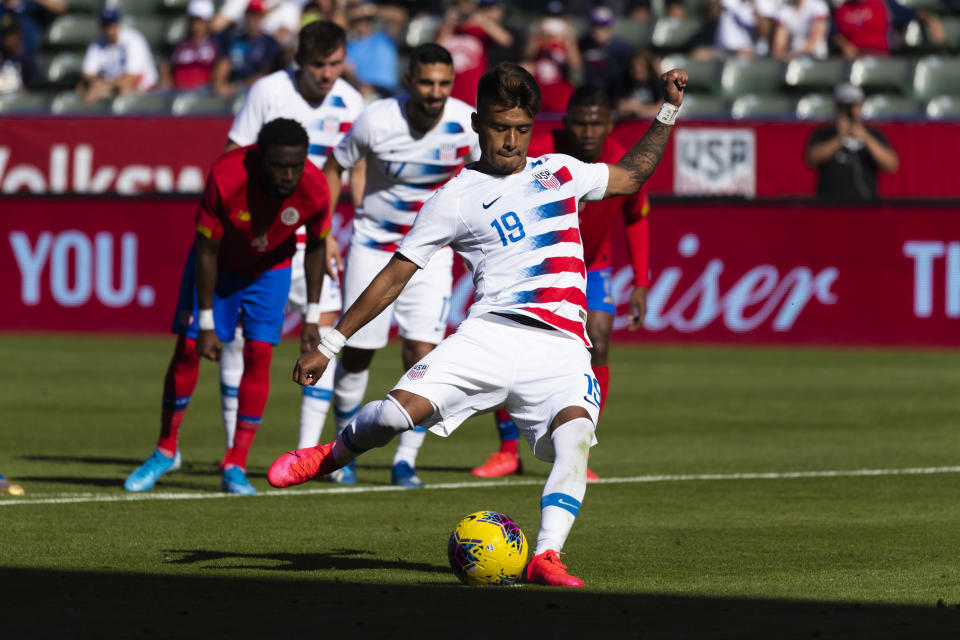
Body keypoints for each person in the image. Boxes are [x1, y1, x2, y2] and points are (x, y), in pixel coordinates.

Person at [268, 62, 686, 587]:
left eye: (520, 129)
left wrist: (667, 110)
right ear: (476, 124)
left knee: (576, 436)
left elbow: (632, 174)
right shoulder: (455, 198)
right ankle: (332, 454)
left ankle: (545, 556)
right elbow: (395, 276)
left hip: (561, 348)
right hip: (488, 336)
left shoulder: (559, 170)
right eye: (498, 127)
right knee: (397, 418)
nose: (510, 141)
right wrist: (329, 343)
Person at [124, 118, 332, 495]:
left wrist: (311, 317)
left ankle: (235, 463)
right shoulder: (226, 175)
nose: (288, 176)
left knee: (259, 354)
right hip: (218, 267)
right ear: (259, 159)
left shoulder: (315, 187)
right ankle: (165, 450)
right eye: (278, 166)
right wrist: (205, 322)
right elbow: (205, 249)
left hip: (271, 270)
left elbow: (316, 246)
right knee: (188, 348)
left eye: (295, 167)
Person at [472, 85, 652, 480]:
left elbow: (636, 216)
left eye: (596, 123)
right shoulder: (537, 150)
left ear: (607, 124)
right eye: (580, 123)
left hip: (594, 265)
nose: (588, 132)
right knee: (510, 347)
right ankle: (506, 451)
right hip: (535, 263)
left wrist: (641, 280)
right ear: (566, 122)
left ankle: (578, 452)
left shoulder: (622, 157)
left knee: (599, 343)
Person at [321, 43, 479, 488]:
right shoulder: (377, 119)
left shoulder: (466, 125)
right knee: (357, 352)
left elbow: (485, 178)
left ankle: (405, 461)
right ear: (409, 81)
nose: (435, 92)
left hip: (431, 252)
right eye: (426, 82)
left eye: (443, 84)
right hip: (373, 247)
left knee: (422, 355)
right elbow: (334, 168)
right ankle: (342, 452)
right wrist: (327, 231)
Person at [221, 20, 365, 467]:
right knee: (241, 341)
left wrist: (342, 229)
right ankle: (234, 453)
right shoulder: (268, 91)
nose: (327, 74)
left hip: (315, 237)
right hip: (265, 237)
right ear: (299, 61)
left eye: (335, 64)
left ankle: (305, 453)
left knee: (321, 337)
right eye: (318, 65)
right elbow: (233, 154)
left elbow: (354, 170)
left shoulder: (352, 102)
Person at [805, 83, 899, 200]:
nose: (850, 111)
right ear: (837, 107)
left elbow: (891, 165)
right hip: (830, 204)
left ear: (860, 106)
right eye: (844, 106)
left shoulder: (873, 134)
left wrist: (866, 138)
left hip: (864, 205)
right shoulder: (824, 133)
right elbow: (812, 159)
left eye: (853, 105)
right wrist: (839, 138)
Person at [437, 0, 513, 107]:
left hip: (474, 95)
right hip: (447, 94)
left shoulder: (478, 30)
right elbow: (436, 50)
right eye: (458, 6)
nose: (463, 11)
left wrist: (483, 20)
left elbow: (506, 40)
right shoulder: (445, 30)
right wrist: (449, 24)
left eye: (467, 6)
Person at [77, 7, 158, 103]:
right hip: (111, 86)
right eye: (106, 25)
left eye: (112, 25)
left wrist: (103, 86)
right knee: (81, 88)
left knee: (124, 89)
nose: (109, 30)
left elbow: (130, 78)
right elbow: (87, 73)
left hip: (143, 88)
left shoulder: (133, 40)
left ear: (119, 24)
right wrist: (96, 83)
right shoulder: (97, 43)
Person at [213, 0, 284, 97]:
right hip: (232, 96)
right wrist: (219, 84)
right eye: (249, 14)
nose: (252, 19)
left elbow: (265, 75)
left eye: (256, 15)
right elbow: (223, 65)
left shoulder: (270, 43)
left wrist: (238, 88)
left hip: (259, 95)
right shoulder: (235, 40)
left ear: (262, 16)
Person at [159, 0, 224, 92]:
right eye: (193, 20)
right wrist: (165, 82)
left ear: (208, 21)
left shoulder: (217, 44)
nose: (195, 25)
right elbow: (165, 66)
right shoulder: (178, 45)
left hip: (205, 93)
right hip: (178, 92)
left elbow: (223, 66)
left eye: (200, 20)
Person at [578, 5, 635, 101]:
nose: (599, 31)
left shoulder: (623, 48)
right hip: (590, 95)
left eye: (603, 27)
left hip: (616, 96)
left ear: (611, 27)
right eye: (595, 27)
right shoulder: (583, 44)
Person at [344, 1, 398, 100]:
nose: (362, 23)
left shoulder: (384, 37)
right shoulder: (349, 47)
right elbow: (349, 72)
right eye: (357, 20)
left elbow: (398, 16)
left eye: (366, 19)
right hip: (364, 91)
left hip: (388, 91)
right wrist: (361, 86)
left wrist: (370, 10)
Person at [0, 13, 37, 94]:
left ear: (18, 34)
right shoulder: (2, 55)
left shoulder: (26, 58)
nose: (7, 39)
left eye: (10, 34)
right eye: (5, 34)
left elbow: (33, 88)